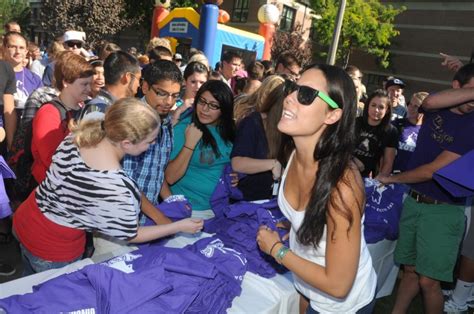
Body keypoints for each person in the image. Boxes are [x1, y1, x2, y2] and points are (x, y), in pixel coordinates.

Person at [13, 98, 204, 274]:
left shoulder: (88, 127)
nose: (152, 145)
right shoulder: (115, 187)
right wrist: (178, 226)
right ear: (127, 143)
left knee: (27, 281)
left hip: (27, 218)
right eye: (150, 141)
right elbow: (132, 234)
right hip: (54, 249)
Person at [256, 64, 376, 313]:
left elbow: (338, 285)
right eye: (292, 87)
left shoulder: (343, 187)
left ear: (332, 115)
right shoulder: (293, 154)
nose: (289, 97)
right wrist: (296, 226)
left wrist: (276, 250)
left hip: (342, 307)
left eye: (306, 94)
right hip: (309, 290)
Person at [378, 63, 474, 314]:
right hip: (415, 202)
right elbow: (429, 102)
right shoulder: (435, 108)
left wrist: (393, 180)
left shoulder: (472, 124)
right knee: (409, 270)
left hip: (443, 212)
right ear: (457, 87)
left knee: (428, 281)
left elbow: (433, 170)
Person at [123, 60, 183, 225]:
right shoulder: (131, 119)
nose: (169, 102)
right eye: (162, 93)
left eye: (175, 95)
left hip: (146, 222)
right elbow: (125, 181)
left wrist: (172, 202)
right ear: (145, 87)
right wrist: (159, 217)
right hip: (121, 223)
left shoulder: (165, 123)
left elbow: (156, 172)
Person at [165, 80, 235, 218]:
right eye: (202, 102)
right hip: (189, 211)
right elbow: (170, 178)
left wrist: (234, 176)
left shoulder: (230, 131)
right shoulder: (184, 129)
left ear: (224, 109)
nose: (204, 109)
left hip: (222, 208)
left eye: (213, 105)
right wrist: (189, 145)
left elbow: (225, 164)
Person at [31, 51, 94, 185]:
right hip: (51, 191)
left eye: (90, 83)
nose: (89, 89)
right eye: (84, 84)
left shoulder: (84, 108)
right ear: (66, 82)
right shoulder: (49, 113)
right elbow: (52, 159)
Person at [231, 82, 285, 201]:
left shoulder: (291, 129)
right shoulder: (253, 123)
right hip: (247, 204)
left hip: (275, 204)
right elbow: (237, 163)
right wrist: (273, 164)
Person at [80, 51, 141, 120]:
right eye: (138, 79)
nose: (139, 85)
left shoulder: (115, 107)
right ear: (128, 77)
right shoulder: (97, 110)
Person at [353, 89, 398, 178]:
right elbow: (340, 148)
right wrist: (353, 161)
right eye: (373, 105)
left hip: (367, 178)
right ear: (368, 106)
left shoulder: (391, 131)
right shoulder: (356, 122)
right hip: (344, 169)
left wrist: (376, 184)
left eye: (381, 107)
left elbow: (388, 162)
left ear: (387, 110)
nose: (376, 110)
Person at [3, 32, 43, 121]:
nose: (18, 51)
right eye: (13, 47)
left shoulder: (35, 79)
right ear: (4, 48)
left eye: (21, 48)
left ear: (26, 51)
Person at [392, 92, 428, 173]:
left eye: (416, 106)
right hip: (391, 175)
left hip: (412, 178)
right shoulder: (396, 124)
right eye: (410, 104)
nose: (411, 108)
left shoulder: (428, 131)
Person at [172, 61, 208, 125]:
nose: (198, 86)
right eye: (193, 82)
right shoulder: (172, 103)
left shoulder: (210, 106)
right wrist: (178, 111)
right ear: (184, 81)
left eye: (202, 82)